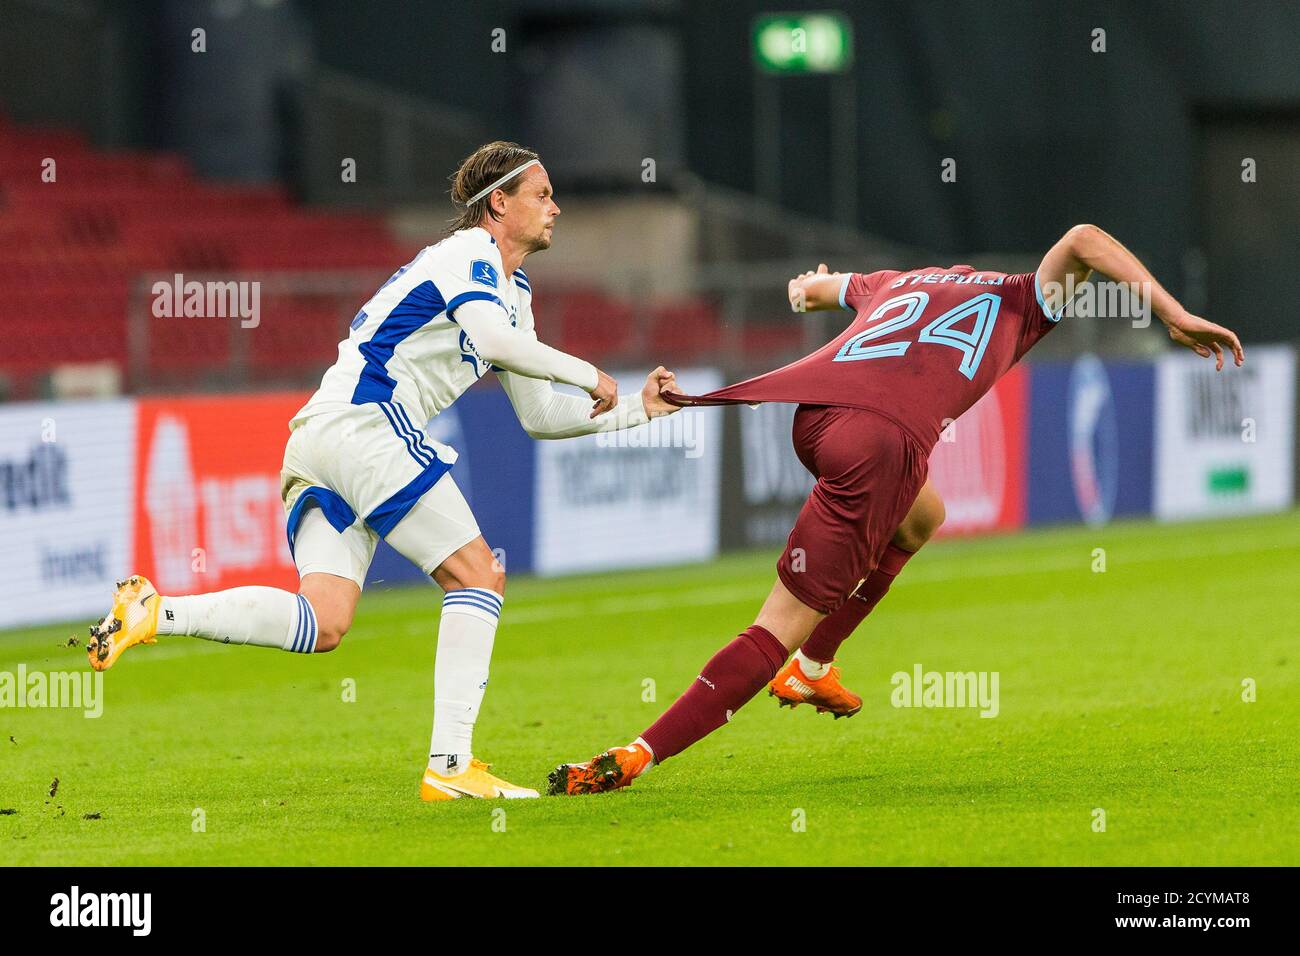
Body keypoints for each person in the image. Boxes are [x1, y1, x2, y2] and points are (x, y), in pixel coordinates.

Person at [549, 223, 1244, 795]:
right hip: (878, 443)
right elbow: (1086, 238)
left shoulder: (896, 282)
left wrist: (805, 292)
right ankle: (638, 754)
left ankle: (816, 668)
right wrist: (1173, 313)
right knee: (775, 627)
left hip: (817, 420)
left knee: (923, 517)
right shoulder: (1019, 297)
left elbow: (815, 288)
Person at [86, 141, 681, 801]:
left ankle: (156, 611)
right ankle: (450, 769)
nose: (556, 208)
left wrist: (636, 410)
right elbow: (494, 344)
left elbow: (540, 416)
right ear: (499, 203)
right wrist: (592, 371)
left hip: (321, 439)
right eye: (542, 195)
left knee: (323, 622)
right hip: (366, 424)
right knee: (478, 575)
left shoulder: (513, 290)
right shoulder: (468, 255)